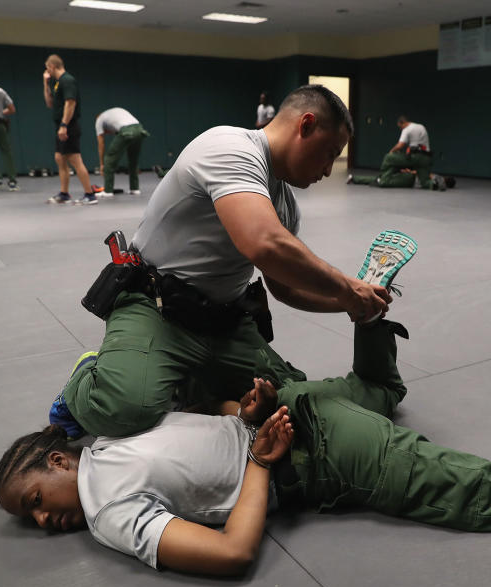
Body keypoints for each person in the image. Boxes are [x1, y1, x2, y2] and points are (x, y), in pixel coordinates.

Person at [0, 297, 491, 577]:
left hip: (314, 451)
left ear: (59, 457)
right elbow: (210, 445)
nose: (42, 518)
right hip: (302, 415)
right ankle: (371, 323)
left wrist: (259, 450)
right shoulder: (122, 434)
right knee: (380, 393)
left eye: (34, 497)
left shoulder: (104, 503)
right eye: (30, 518)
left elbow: (234, 554)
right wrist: (250, 414)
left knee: (477, 492)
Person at [51, 86, 398, 441]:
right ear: (305, 125)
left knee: (286, 400)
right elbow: (263, 244)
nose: (328, 170)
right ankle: (89, 375)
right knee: (121, 411)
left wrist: (351, 303)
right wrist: (345, 286)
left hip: (222, 322)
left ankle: (188, 381)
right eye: (329, 154)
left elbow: (285, 287)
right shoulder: (229, 147)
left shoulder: (284, 202)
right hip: (156, 308)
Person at [42, 54, 97, 205]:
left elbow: (70, 103)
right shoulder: (57, 83)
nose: (47, 71)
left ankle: (90, 195)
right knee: (59, 158)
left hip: (68, 126)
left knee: (75, 159)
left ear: (52, 66)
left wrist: (64, 125)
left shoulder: (67, 80)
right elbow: (50, 103)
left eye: (47, 68)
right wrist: (45, 83)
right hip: (61, 125)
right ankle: (64, 193)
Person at [348, 116, 445, 190]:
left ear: (402, 123)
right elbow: (416, 144)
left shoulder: (407, 129)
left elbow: (400, 145)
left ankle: (381, 178)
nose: (401, 129)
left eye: (400, 127)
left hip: (415, 157)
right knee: (425, 182)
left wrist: (391, 151)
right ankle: (434, 184)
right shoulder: (421, 126)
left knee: (389, 158)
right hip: (426, 159)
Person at [93, 107, 150, 199]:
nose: (107, 133)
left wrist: (102, 164)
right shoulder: (114, 114)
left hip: (127, 130)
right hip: (140, 129)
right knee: (133, 161)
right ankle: (134, 189)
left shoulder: (99, 120)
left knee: (109, 159)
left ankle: (107, 191)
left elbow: (101, 143)